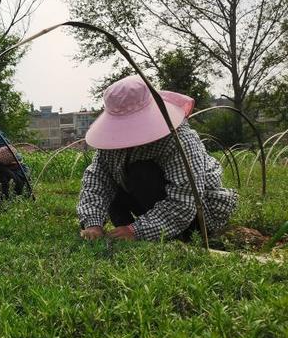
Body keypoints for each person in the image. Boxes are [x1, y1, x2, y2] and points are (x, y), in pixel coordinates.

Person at [77, 75, 238, 242]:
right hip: (148, 205)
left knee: (141, 171)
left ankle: (151, 233)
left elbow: (184, 200)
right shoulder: (111, 145)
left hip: (194, 214)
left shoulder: (179, 139)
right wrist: (92, 223)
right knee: (114, 177)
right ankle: (124, 232)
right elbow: (97, 180)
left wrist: (136, 231)